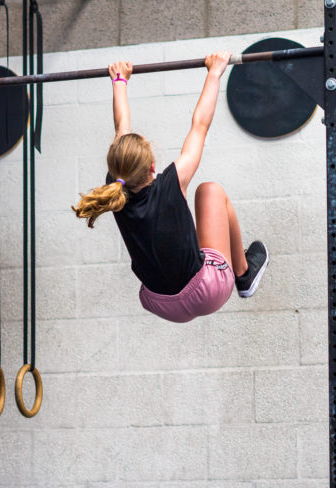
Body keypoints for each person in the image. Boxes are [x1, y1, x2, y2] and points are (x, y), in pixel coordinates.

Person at [72, 53, 268, 323]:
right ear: (153, 166)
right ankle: (244, 273)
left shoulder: (115, 190)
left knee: (187, 242)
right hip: (205, 291)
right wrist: (215, 72)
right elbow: (200, 125)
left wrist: (119, 80)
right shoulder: (172, 182)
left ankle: (240, 274)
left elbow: (121, 129)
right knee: (209, 191)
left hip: (160, 303)